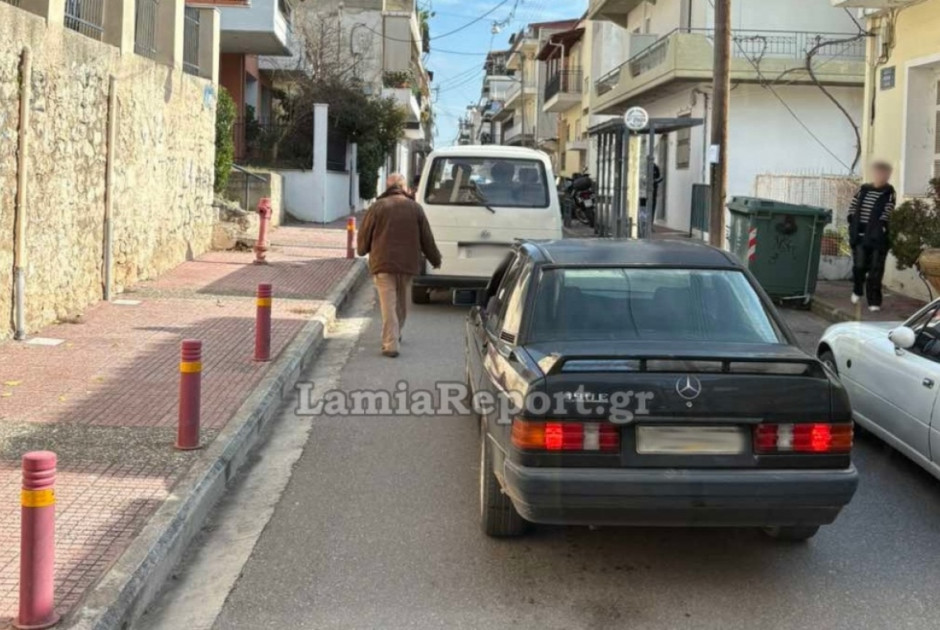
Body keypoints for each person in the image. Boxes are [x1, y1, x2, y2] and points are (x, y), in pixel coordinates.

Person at [357, 174, 442, 358]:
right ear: (404, 187)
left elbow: (365, 234)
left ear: (387, 187)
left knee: (388, 304)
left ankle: (391, 342)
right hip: (407, 264)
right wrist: (435, 259)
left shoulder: (377, 207)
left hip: (383, 263)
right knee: (401, 303)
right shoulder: (415, 208)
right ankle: (396, 334)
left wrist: (362, 249)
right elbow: (426, 237)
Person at [848, 161, 896, 312]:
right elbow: (853, 205)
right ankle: (857, 290)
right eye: (878, 172)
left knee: (875, 270)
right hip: (859, 235)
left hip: (877, 237)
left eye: (884, 173)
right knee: (859, 267)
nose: (880, 176)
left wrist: (880, 226)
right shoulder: (864, 189)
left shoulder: (888, 192)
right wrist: (851, 217)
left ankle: (874, 301)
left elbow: (888, 210)